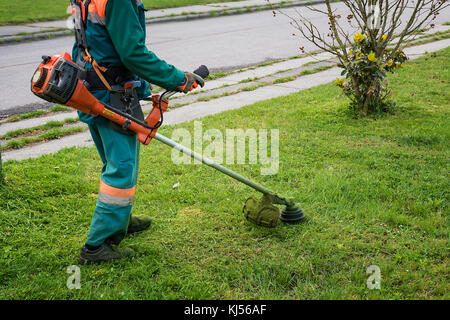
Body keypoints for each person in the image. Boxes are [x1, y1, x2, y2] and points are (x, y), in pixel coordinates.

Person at [69, 0, 204, 264]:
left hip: (91, 88)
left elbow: (86, 44)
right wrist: (179, 78)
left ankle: (119, 220)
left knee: (111, 161)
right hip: (111, 95)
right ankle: (97, 246)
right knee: (121, 167)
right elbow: (133, 53)